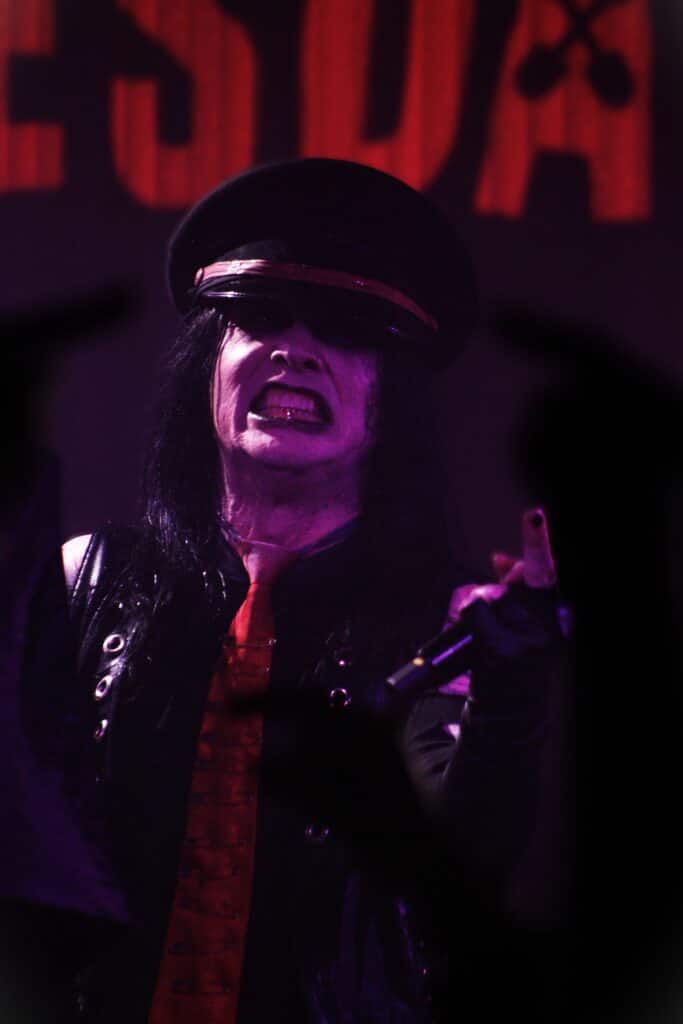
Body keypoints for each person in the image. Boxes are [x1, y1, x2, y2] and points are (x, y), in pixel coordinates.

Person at [23, 158, 562, 1022]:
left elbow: (460, 868)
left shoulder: (450, 625)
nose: (295, 349)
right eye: (261, 315)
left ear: (394, 398)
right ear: (209, 362)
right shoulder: (83, 580)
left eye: (345, 330)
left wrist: (509, 700)